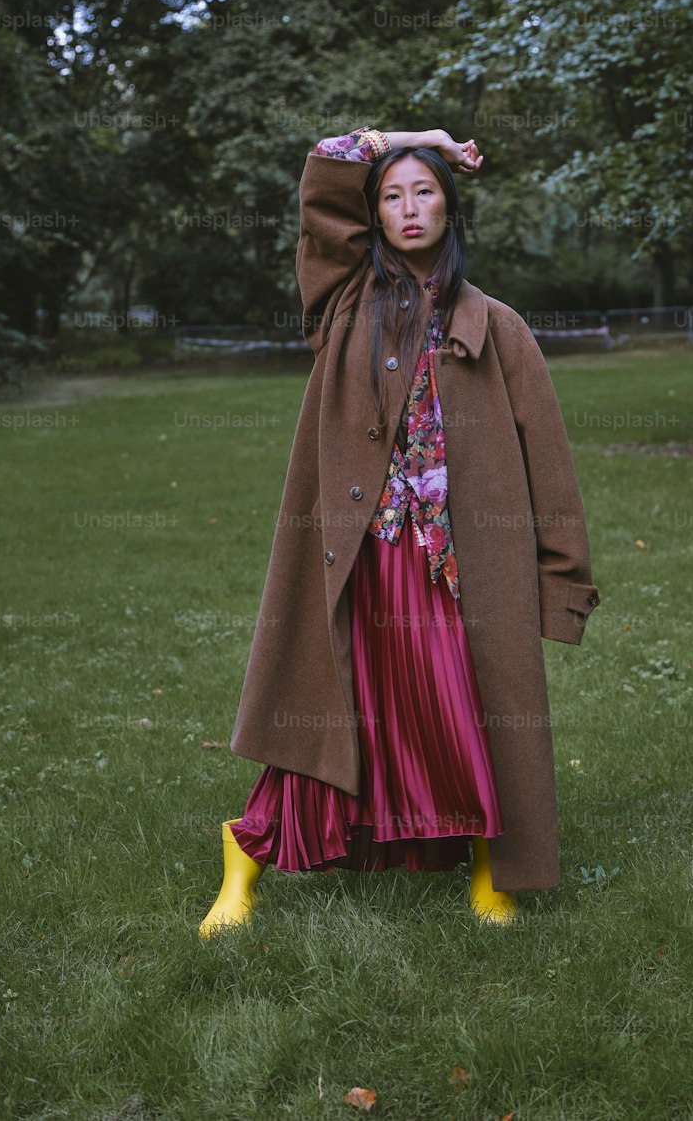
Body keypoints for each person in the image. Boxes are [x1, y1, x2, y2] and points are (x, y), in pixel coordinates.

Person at [199, 126, 600, 937]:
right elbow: (324, 166)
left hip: (461, 568)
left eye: (425, 190)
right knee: (336, 708)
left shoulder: (502, 328)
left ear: (451, 209)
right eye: (391, 195)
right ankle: (247, 852)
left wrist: (562, 587)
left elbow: (551, 470)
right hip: (362, 559)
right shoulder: (341, 302)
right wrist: (417, 140)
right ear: (372, 216)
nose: (409, 207)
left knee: (464, 708)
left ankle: (490, 867)